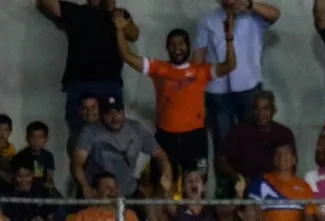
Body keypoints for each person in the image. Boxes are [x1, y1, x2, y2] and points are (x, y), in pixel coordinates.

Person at [116, 15, 237, 187]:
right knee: (161, 185)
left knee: (197, 185)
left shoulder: (201, 71)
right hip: (165, 138)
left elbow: (230, 66)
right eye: (172, 44)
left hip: (195, 139)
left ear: (188, 46)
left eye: (181, 43)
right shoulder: (158, 69)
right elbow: (127, 56)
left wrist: (229, 39)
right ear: (167, 47)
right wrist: (120, 29)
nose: (177, 48)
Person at [36, 0, 139, 132]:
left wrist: (116, 17)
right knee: (80, 134)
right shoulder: (76, 11)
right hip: (80, 83)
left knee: (113, 135)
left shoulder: (117, 14)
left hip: (110, 82)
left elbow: (134, 34)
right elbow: (46, 2)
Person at [194, 0, 280, 150]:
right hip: (217, 91)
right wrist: (192, 93)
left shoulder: (253, 16)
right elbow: (198, 58)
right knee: (223, 141)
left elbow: (275, 14)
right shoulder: (208, 19)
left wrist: (250, 5)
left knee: (254, 139)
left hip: (249, 86)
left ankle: (252, 174)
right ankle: (227, 174)